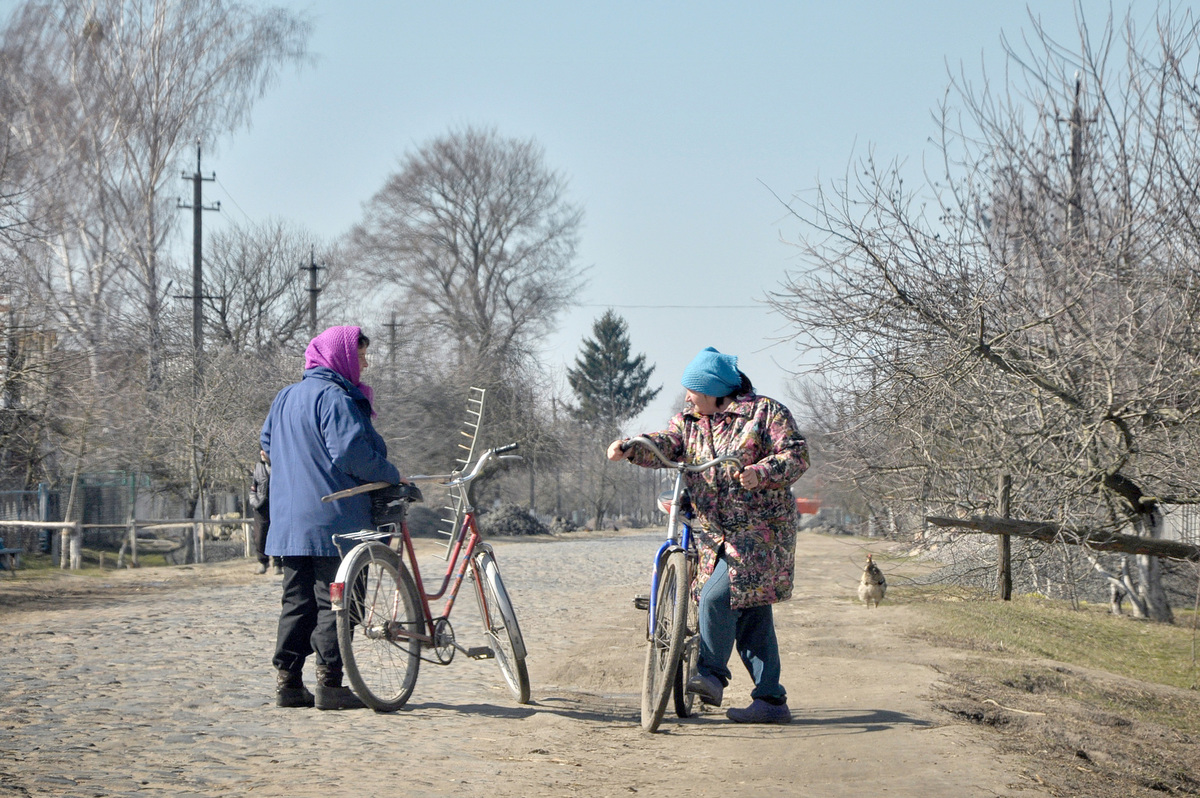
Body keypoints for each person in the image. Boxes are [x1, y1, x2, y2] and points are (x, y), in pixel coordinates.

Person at [608, 346, 808, 724]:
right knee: (751, 617)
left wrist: (761, 473)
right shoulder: (689, 421)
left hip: (760, 530)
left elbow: (796, 454)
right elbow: (666, 443)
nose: (687, 396)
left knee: (718, 597)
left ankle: (712, 674)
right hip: (712, 532)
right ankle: (771, 701)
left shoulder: (765, 413)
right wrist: (632, 447)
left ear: (717, 390)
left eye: (693, 389)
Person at [261, 325, 402, 710]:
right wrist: (392, 474)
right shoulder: (335, 397)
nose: (365, 363)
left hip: (290, 523)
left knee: (297, 602)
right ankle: (330, 683)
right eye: (360, 356)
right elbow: (351, 454)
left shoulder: (285, 396)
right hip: (336, 519)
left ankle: (288, 683)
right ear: (340, 356)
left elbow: (267, 447)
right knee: (337, 603)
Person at [248, 450, 279, 575]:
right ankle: (262, 562)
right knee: (260, 535)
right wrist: (255, 503)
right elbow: (253, 488)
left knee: (278, 535)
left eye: (265, 450)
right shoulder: (258, 467)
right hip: (261, 507)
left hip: (277, 506)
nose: (262, 453)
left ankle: (278, 563)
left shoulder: (279, 466)